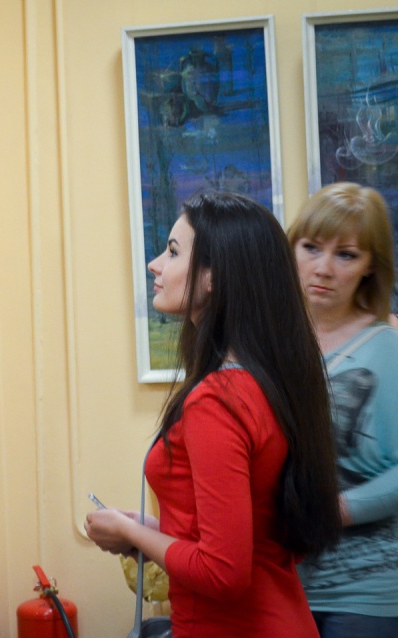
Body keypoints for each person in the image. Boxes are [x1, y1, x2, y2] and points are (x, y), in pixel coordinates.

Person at [85, 191, 342, 637]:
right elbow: (249, 536)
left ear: (213, 278)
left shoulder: (217, 400)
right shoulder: (266, 381)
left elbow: (223, 572)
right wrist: (151, 528)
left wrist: (136, 536)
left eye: (172, 252)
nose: (155, 265)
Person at [288, 182, 398, 637]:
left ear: (371, 265)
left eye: (346, 255)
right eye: (311, 248)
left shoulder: (387, 348)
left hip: (365, 594)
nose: (324, 268)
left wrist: (338, 510)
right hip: (279, 586)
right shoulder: (272, 343)